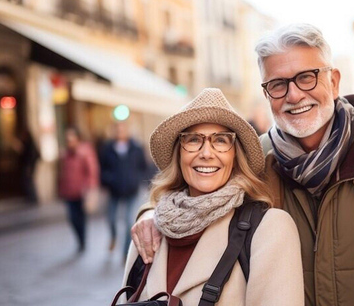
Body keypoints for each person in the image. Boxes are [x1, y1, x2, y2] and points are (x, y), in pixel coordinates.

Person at [131, 24, 354, 305]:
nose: (294, 95)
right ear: (267, 95)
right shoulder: (255, 161)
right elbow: (195, 190)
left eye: (307, 77)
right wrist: (150, 214)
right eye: (278, 85)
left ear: (334, 81)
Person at [121, 88, 303, 304]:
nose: (206, 153)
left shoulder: (268, 230)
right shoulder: (147, 234)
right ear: (179, 153)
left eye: (220, 141)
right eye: (193, 140)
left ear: (236, 155)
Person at [100, 121, 147, 258]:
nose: (120, 132)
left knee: (128, 222)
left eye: (122, 129)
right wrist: (108, 180)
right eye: (117, 129)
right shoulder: (108, 148)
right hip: (114, 190)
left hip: (131, 190)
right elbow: (102, 168)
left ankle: (125, 252)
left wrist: (137, 180)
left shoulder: (136, 147)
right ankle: (113, 237)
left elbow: (143, 166)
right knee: (111, 219)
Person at [58, 127, 99, 252]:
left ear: (77, 139)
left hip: (82, 193)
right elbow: (62, 174)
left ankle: (82, 240)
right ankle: (80, 239)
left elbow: (92, 172)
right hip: (69, 193)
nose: (70, 142)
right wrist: (60, 190)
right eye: (67, 140)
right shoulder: (65, 155)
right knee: (72, 218)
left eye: (72, 139)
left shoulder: (85, 152)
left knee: (80, 219)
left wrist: (90, 189)